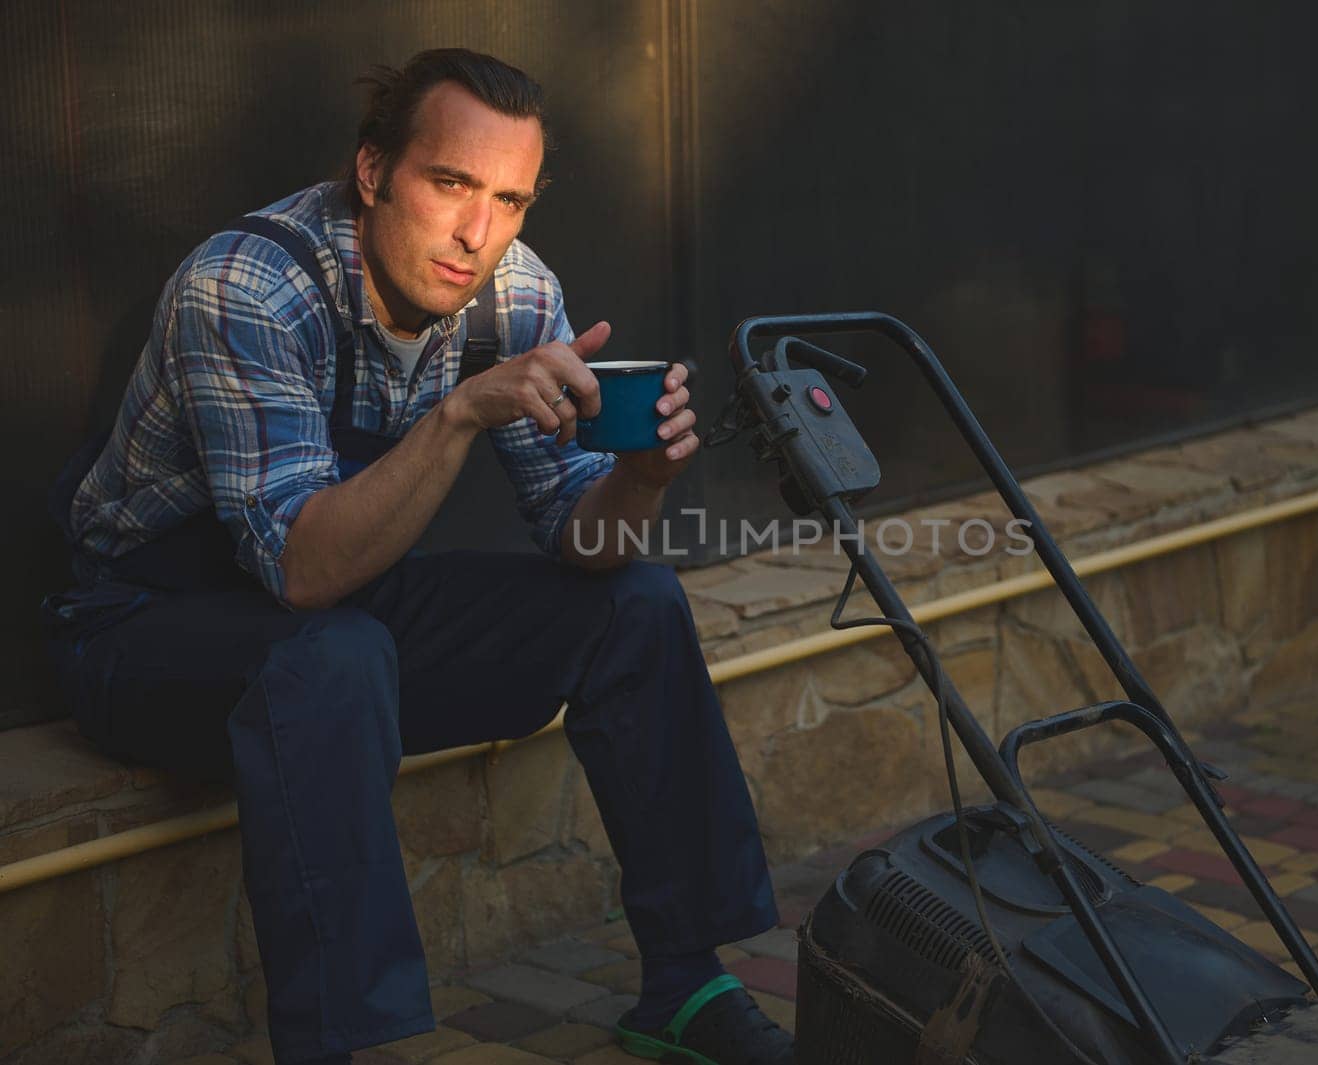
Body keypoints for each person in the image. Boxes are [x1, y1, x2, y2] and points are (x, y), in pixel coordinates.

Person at [41, 48, 792, 1065]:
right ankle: (334, 1045)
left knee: (637, 606)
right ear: (372, 174)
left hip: (344, 615)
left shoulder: (516, 290)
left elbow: (583, 544)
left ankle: (684, 981)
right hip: (143, 625)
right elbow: (300, 569)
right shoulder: (247, 287)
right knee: (333, 656)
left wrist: (643, 480)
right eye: (449, 183)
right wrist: (459, 415)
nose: (476, 233)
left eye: (509, 199)